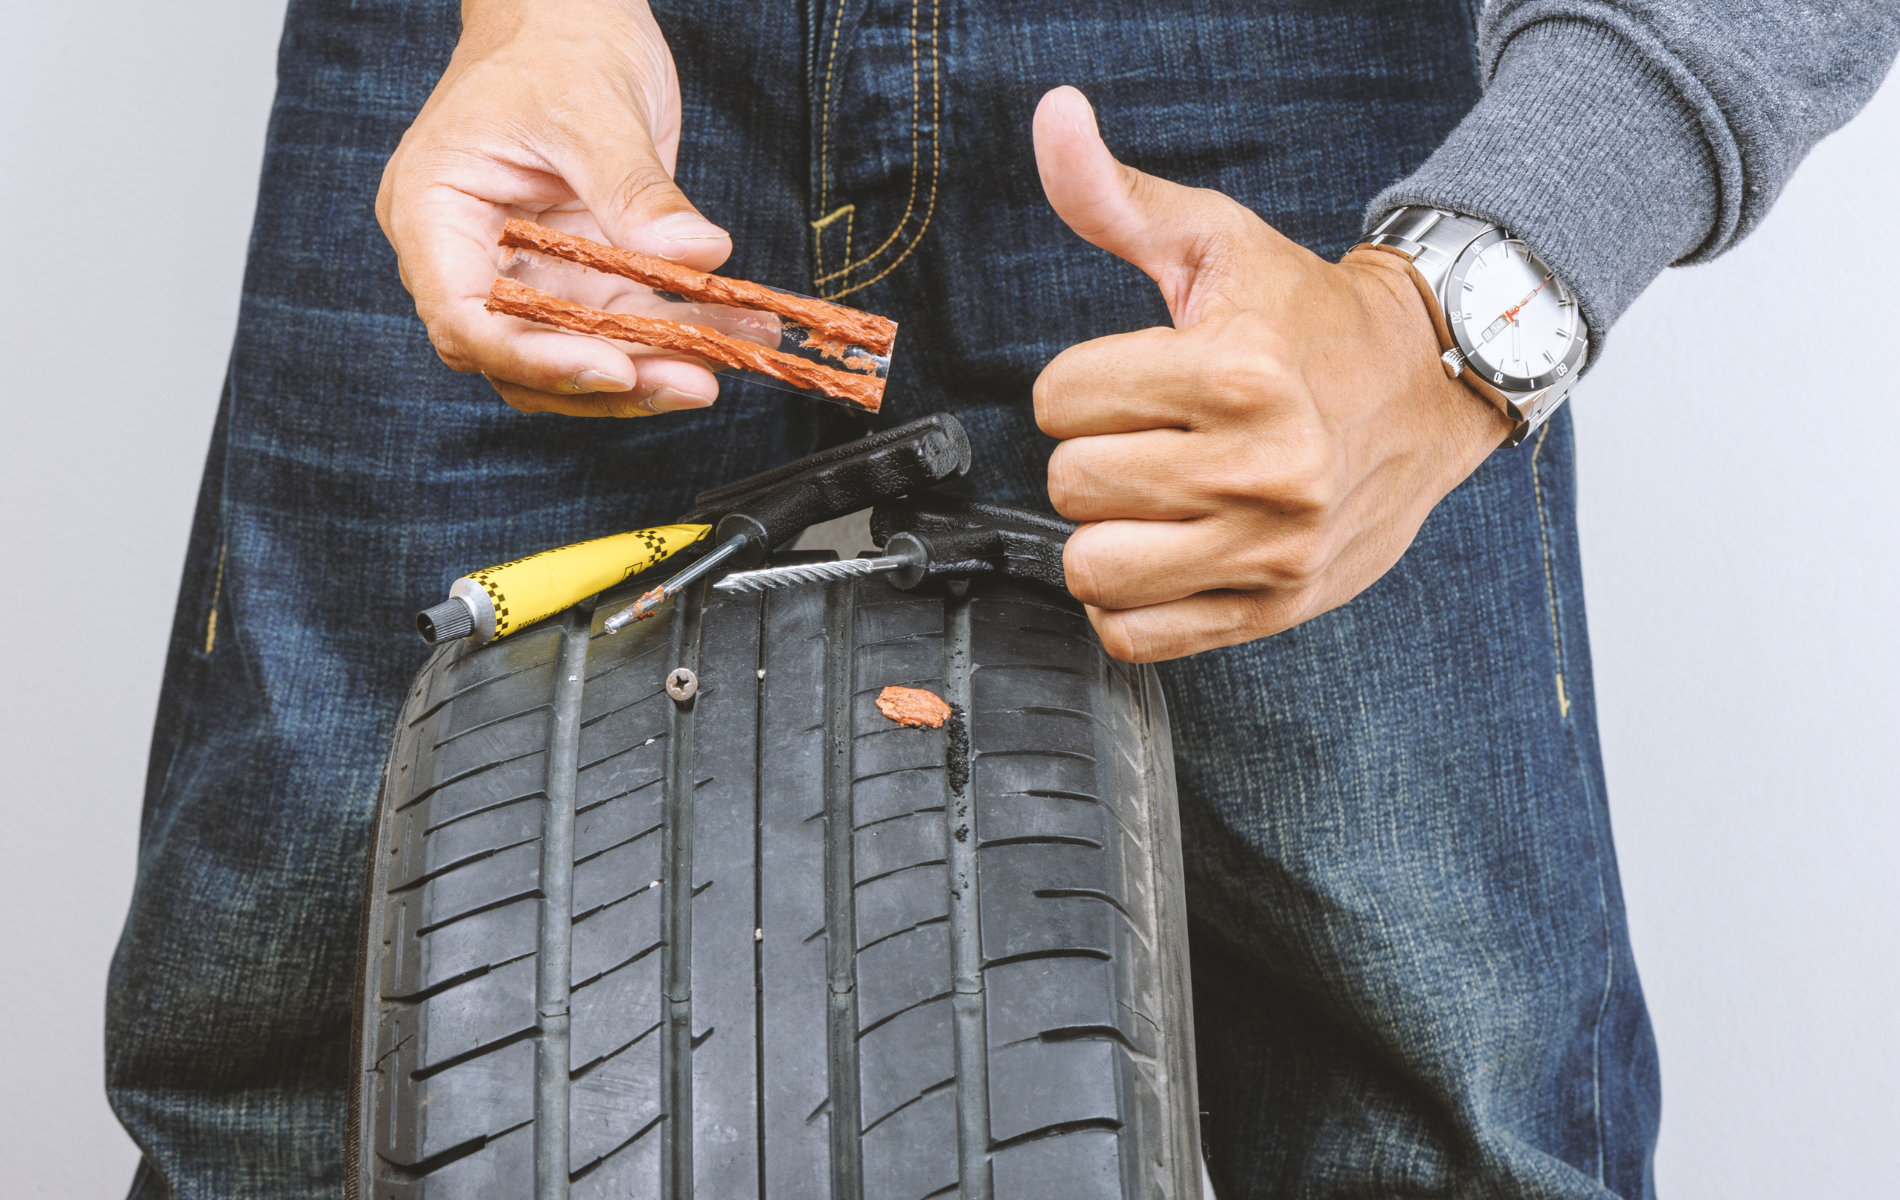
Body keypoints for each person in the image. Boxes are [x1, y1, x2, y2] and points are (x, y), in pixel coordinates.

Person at [105, 0, 1897, 1196]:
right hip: (560, 70)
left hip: (1287, 104)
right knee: (286, 1096)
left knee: (1447, 1120)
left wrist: (1455, 318)